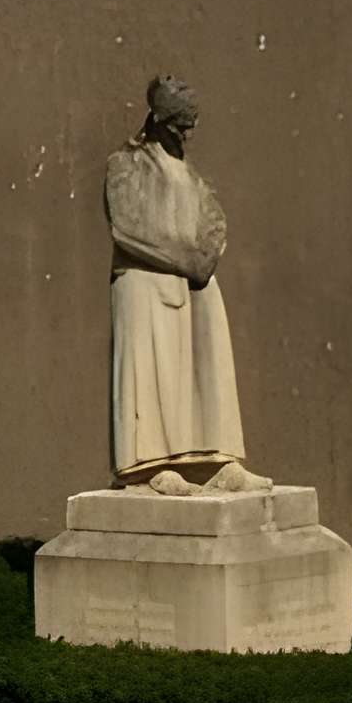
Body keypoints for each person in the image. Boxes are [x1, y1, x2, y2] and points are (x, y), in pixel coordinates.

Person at [104, 75, 255, 488]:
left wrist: (207, 253)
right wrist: (188, 259)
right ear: (157, 119)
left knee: (207, 368)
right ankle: (149, 468)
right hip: (146, 283)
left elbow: (214, 219)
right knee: (153, 374)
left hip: (193, 284)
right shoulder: (125, 164)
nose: (186, 134)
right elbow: (127, 228)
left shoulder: (190, 174)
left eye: (191, 125)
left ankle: (213, 464)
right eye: (179, 125)